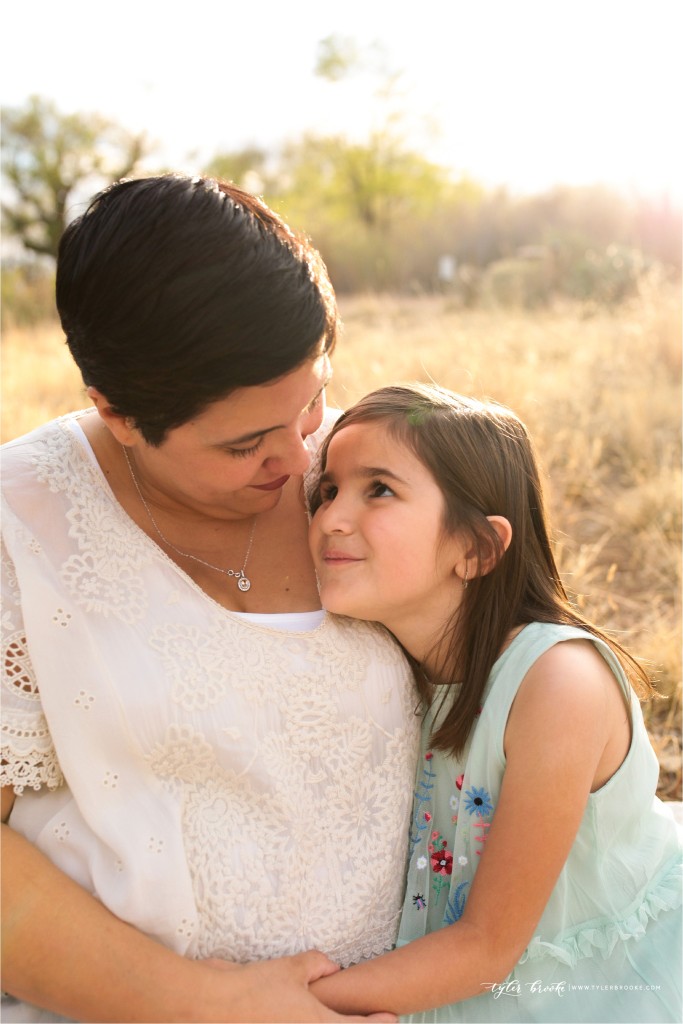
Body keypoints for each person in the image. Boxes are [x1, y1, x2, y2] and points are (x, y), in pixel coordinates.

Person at [0, 175, 420, 1023]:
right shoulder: (20, 525)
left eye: (309, 404)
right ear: (117, 415)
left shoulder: (379, 469)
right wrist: (201, 1003)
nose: (302, 464)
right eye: (244, 445)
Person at [307, 383, 682, 1023]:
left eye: (379, 490)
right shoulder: (384, 664)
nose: (331, 518)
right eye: (328, 491)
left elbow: (489, 947)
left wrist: (267, 1007)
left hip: (598, 987)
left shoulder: (558, 681)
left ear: (476, 549)